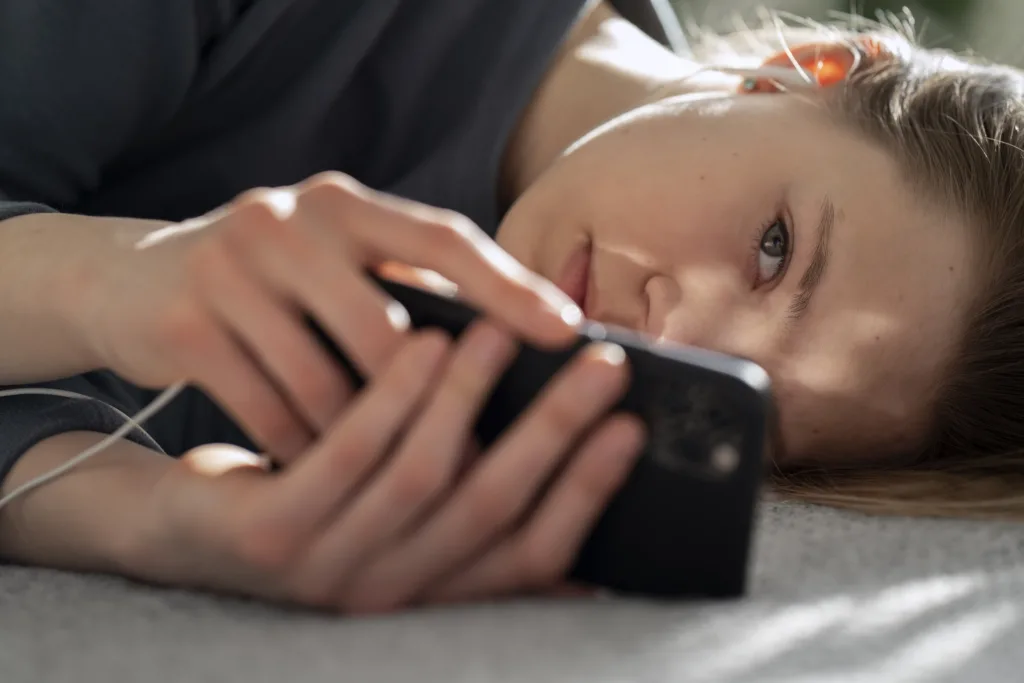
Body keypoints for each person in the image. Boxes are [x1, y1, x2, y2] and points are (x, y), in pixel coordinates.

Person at [0, 0, 1021, 613]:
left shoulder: (481, 409)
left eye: (743, 395)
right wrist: (106, 278)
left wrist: (146, 516)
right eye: (773, 249)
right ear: (816, 73)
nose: (664, 334)